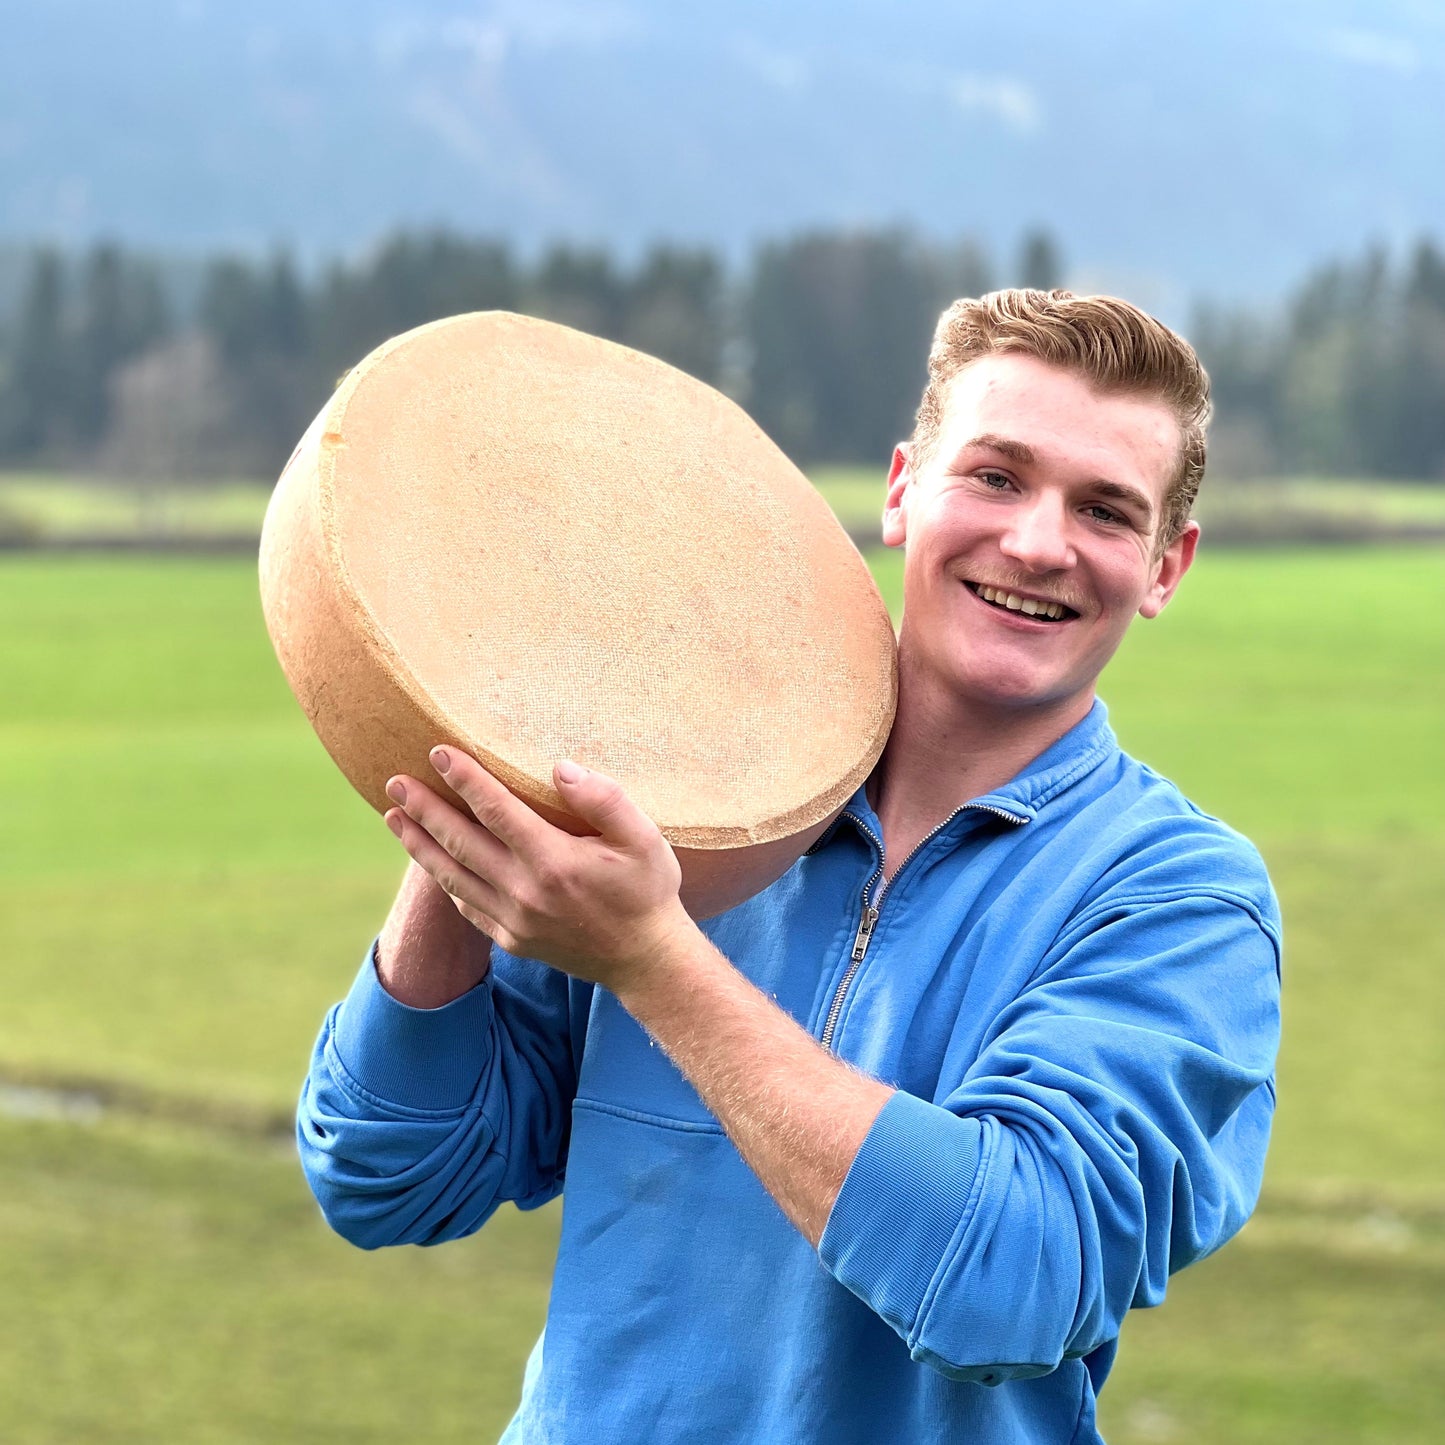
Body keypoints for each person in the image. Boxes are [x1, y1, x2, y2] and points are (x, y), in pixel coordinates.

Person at [298, 290, 1282, 1444]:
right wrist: (487, 749)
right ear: (905, 488)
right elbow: (388, 1171)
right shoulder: (684, 806)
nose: (1035, 541)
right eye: (997, 475)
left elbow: (1005, 1276)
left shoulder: (1177, 898)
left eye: (1106, 510)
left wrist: (652, 959)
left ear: (1165, 566)